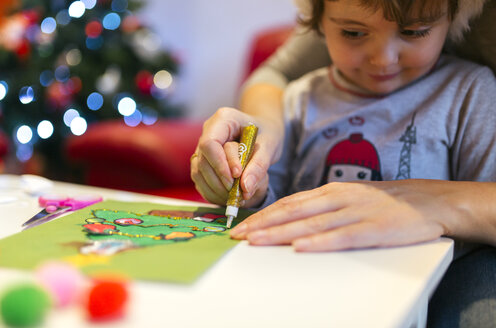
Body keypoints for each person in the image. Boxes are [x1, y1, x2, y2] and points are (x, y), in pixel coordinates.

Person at [191, 1, 496, 326]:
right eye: (352, 33)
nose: (383, 58)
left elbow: (481, 213)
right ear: (318, 23)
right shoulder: (299, 98)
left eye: (414, 32)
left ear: (453, 22)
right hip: (304, 284)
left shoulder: (471, 91)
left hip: (418, 287)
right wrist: (245, 182)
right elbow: (268, 196)